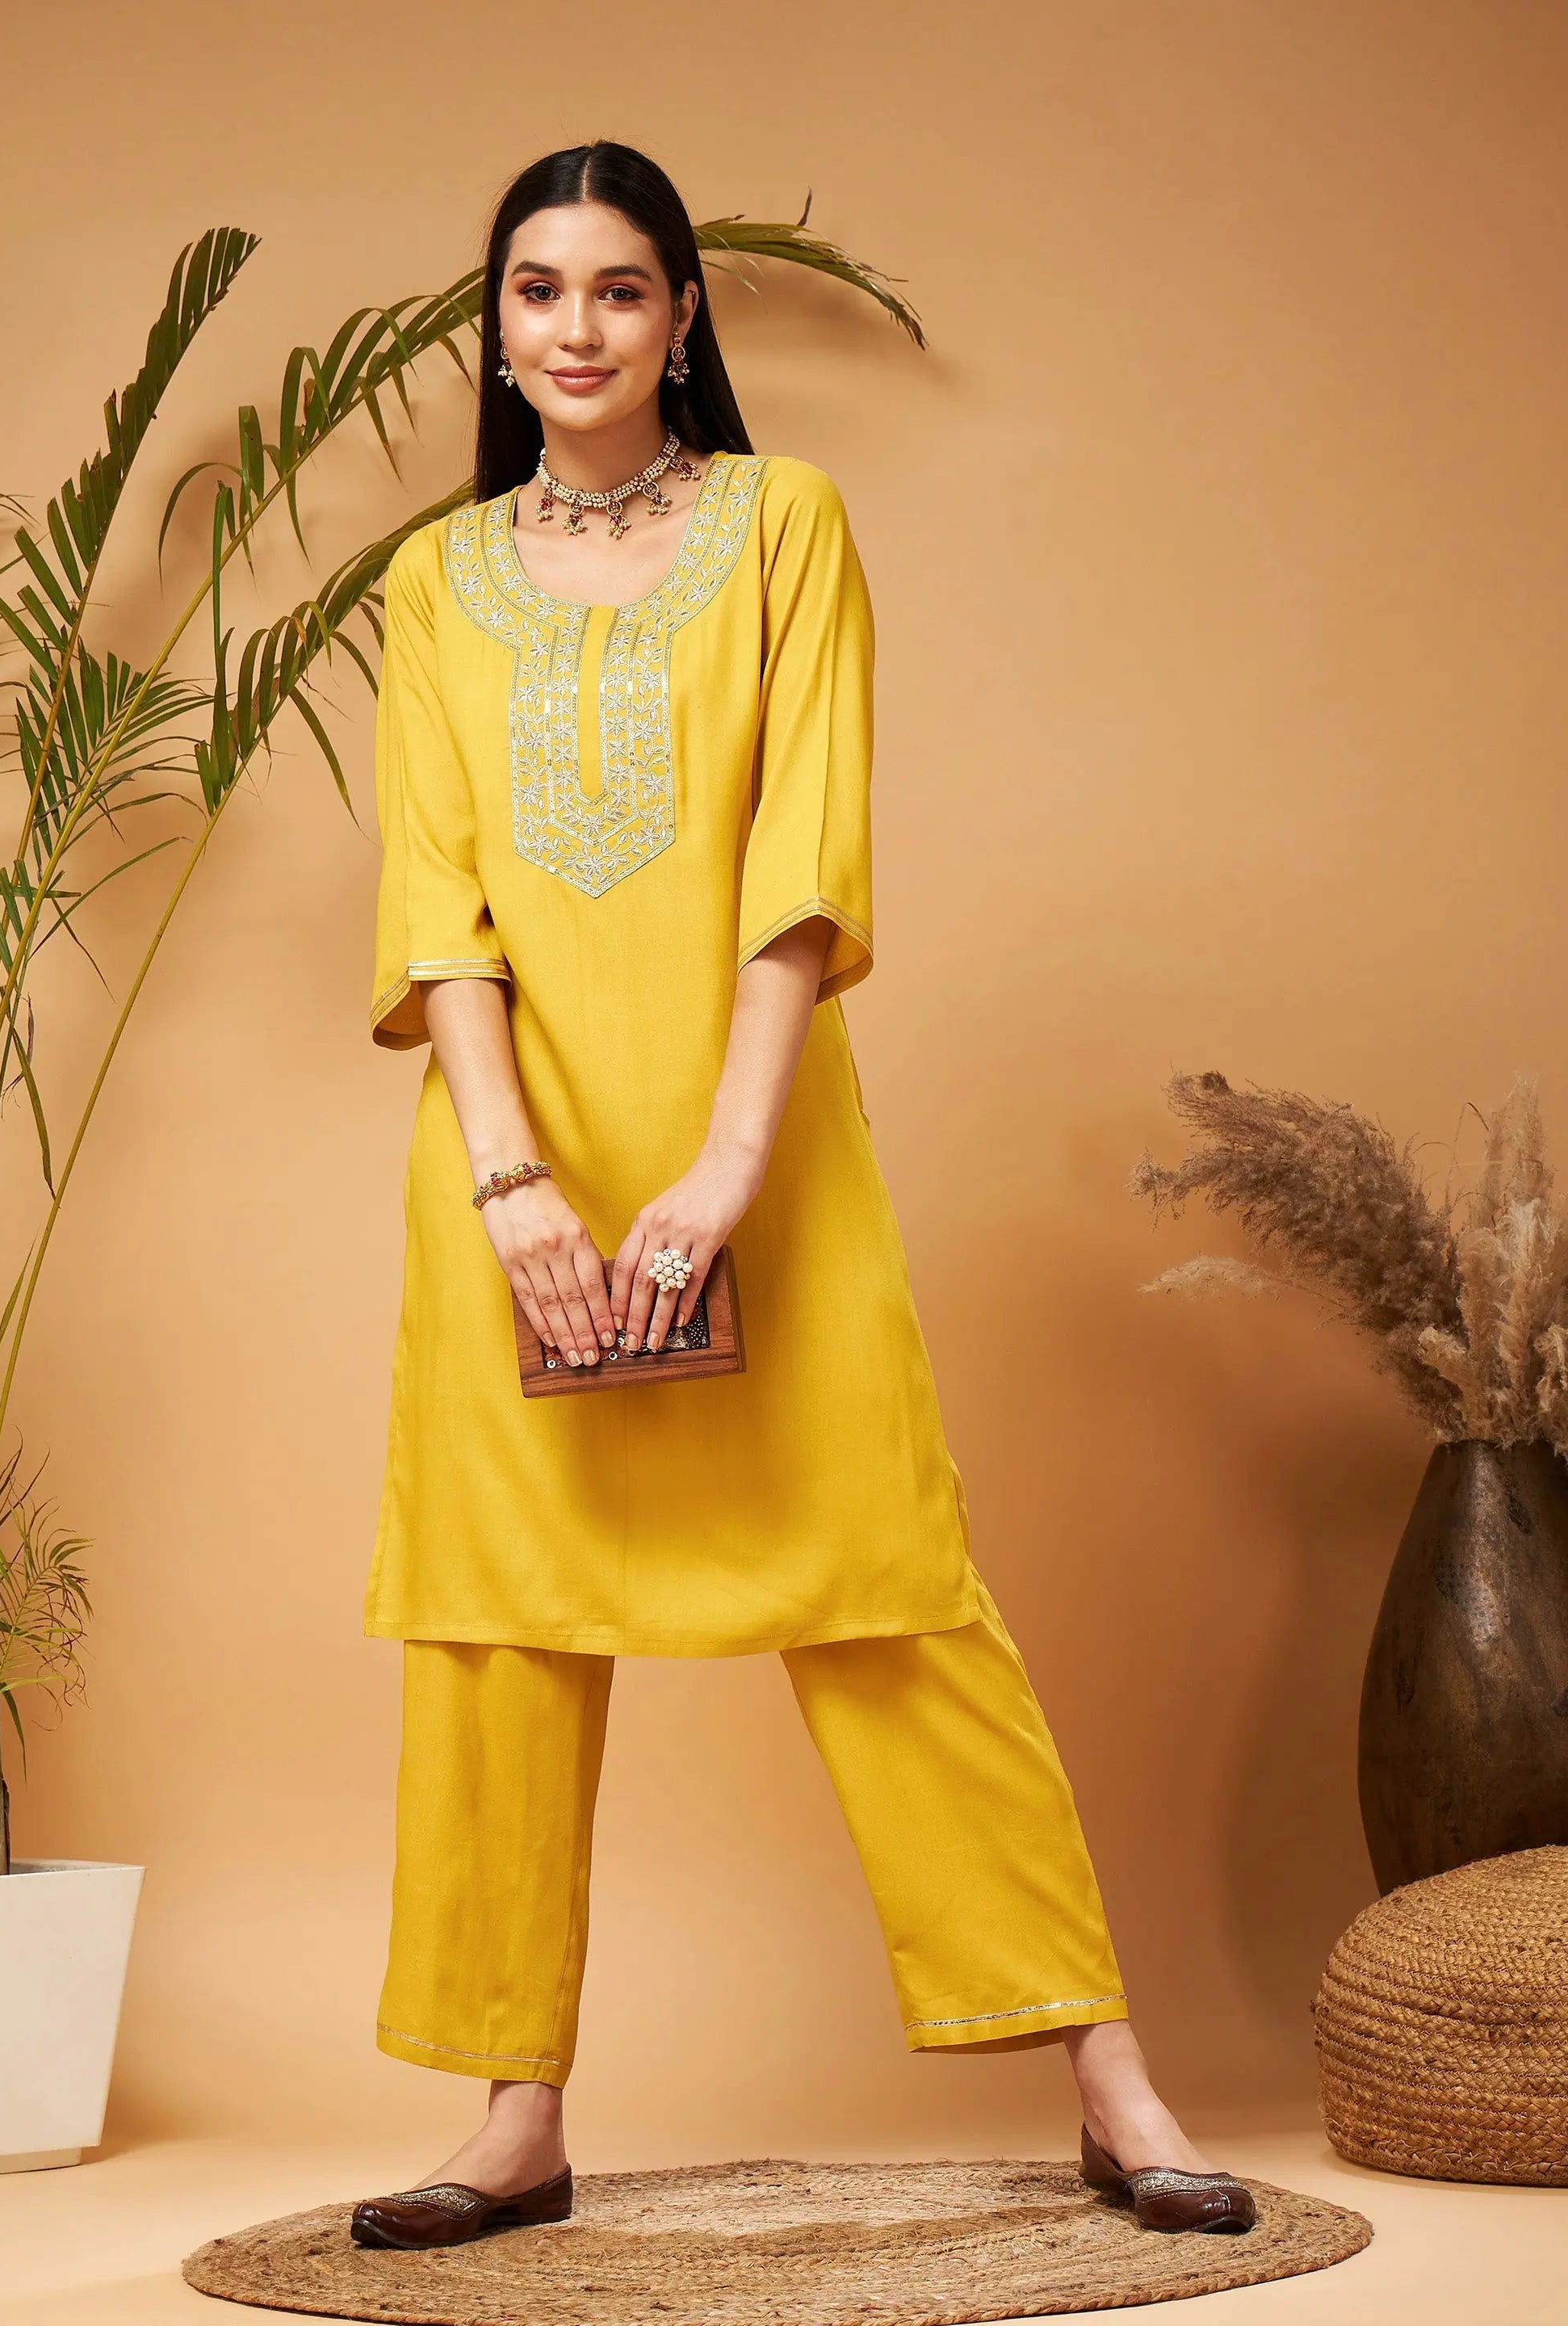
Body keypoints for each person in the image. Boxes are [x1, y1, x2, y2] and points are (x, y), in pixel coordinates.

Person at [350, 140, 1255, 2249]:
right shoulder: (435, 581)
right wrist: (511, 1183)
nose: (576, 328)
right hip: (517, 1170)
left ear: (684, 317)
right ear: (497, 324)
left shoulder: (784, 527)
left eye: (620, 289)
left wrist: (733, 1166)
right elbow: (436, 903)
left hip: (763, 1151)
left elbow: (801, 861)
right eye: (537, 289)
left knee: (888, 1588)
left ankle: (1110, 2079)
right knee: (500, 1619)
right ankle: (513, 2116)